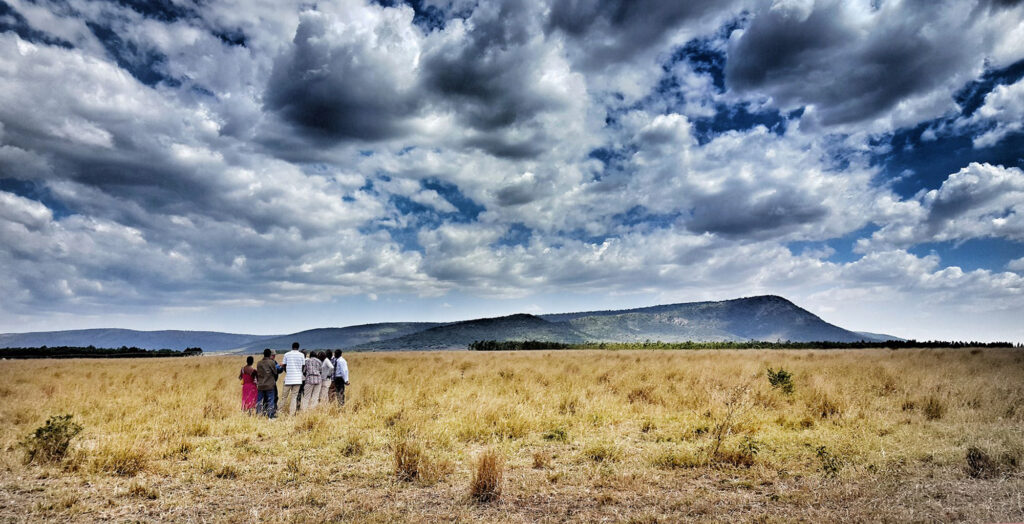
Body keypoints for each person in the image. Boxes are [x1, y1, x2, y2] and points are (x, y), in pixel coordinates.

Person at [280, 342, 305, 416]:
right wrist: (299, 372)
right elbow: (303, 366)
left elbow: (284, 365)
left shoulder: (287, 354)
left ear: (292, 347)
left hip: (288, 379)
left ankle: (280, 412)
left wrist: (287, 371)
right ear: (298, 347)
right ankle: (292, 414)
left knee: (284, 397)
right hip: (297, 379)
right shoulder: (301, 355)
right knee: (294, 397)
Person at [255, 349, 279, 418]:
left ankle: (258, 414)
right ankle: (270, 415)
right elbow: (275, 372)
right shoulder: (271, 362)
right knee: (270, 399)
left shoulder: (259, 363)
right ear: (269, 354)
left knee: (259, 400)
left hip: (260, 385)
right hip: (269, 385)